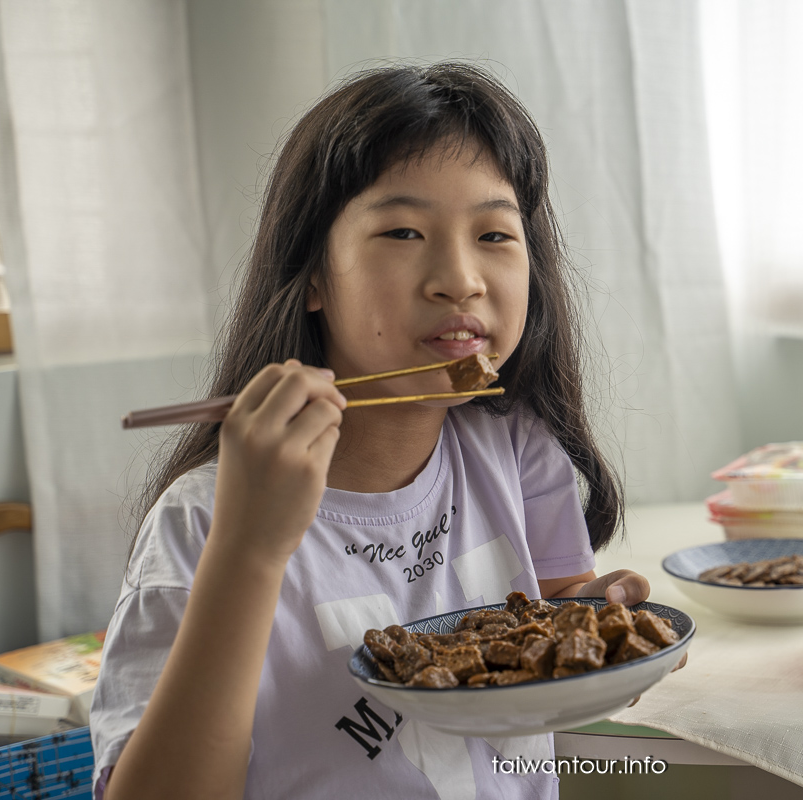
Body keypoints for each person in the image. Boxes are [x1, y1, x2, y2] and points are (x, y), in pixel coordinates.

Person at [90, 62, 655, 800]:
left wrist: (605, 627)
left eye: (493, 233)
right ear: (314, 276)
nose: (460, 278)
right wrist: (251, 549)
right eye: (402, 230)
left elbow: (544, 631)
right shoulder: (202, 521)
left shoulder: (517, 447)